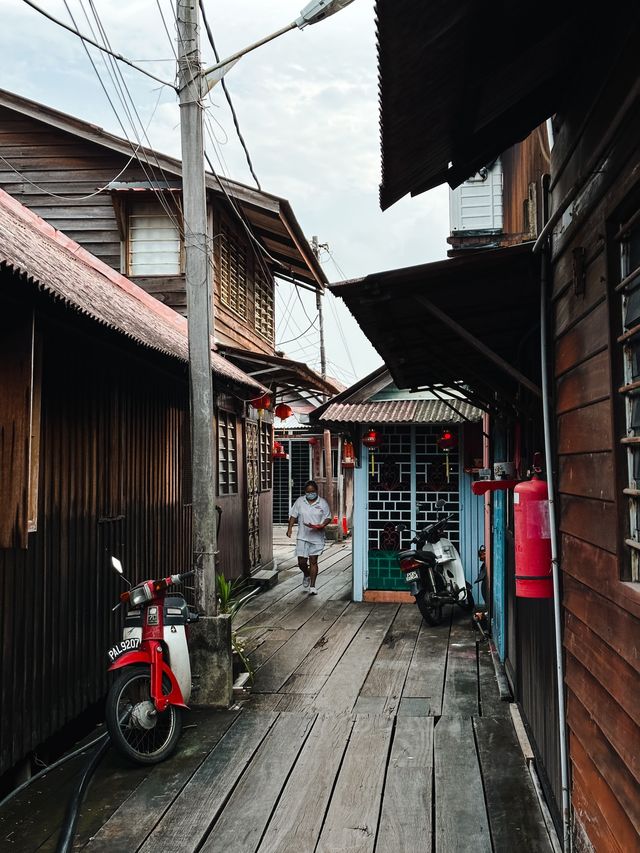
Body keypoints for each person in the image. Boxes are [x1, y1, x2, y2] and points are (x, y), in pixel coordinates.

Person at [286, 480, 332, 595]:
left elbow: (328, 517)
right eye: (308, 492)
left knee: (313, 561)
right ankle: (306, 574)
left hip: (317, 536)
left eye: (312, 491)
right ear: (305, 492)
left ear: (316, 491)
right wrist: (290, 528)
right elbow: (293, 515)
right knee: (301, 562)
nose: (310, 494)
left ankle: (312, 586)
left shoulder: (322, 503)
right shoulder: (300, 501)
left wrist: (322, 525)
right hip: (302, 536)